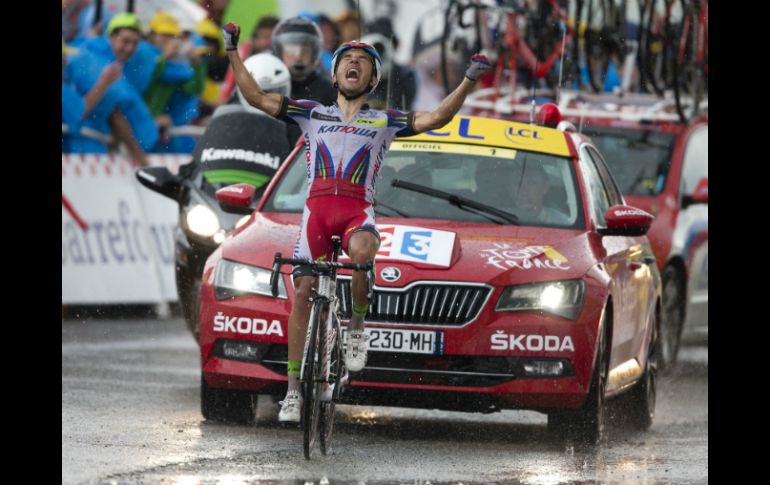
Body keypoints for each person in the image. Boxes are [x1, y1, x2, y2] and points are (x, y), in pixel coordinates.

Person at [223, 22, 491, 423]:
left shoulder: (385, 120)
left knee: (364, 253)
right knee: (303, 291)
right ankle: (293, 390)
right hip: (316, 215)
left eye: (363, 61)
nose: (354, 63)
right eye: (346, 59)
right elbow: (256, 96)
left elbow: (437, 117)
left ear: (372, 79)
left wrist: (468, 80)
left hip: (355, 213)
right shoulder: (311, 113)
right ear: (334, 74)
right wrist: (232, 51)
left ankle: (357, 328)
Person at [188, 52, 294, 191]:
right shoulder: (227, 119)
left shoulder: (295, 121)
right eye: (256, 93)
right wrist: (189, 171)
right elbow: (206, 154)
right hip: (223, 191)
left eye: (272, 92)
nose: (264, 100)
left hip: (270, 195)